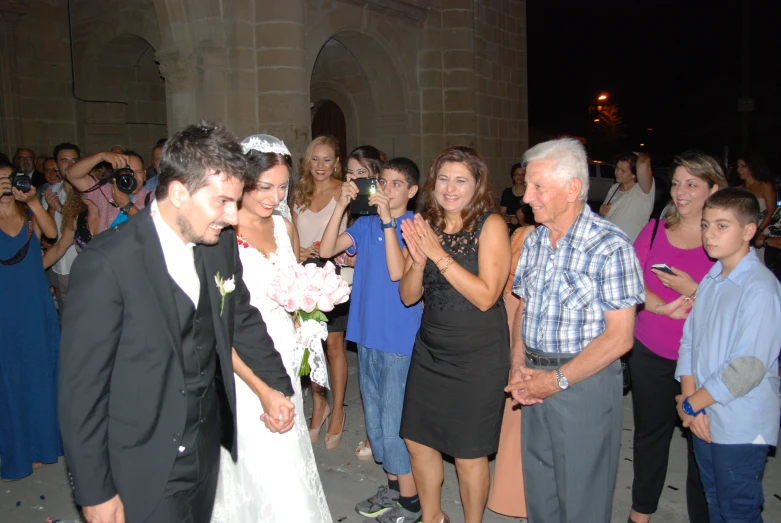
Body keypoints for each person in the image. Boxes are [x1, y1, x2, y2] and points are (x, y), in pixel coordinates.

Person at [58, 121, 296, 523]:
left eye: (235, 202)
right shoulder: (107, 264)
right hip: (143, 460)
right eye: (221, 201)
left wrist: (276, 387)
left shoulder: (217, 245)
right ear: (179, 192)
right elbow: (81, 392)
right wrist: (95, 490)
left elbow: (241, 315)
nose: (232, 215)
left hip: (205, 448)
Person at [507, 137, 645, 523]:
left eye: (538, 187)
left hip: (583, 382)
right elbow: (525, 307)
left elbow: (620, 337)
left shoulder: (609, 246)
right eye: (527, 185)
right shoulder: (535, 241)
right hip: (533, 376)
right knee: (541, 494)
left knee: (582, 499)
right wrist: (518, 361)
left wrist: (555, 381)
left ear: (572, 189)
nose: (526, 196)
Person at [211, 134, 331, 522]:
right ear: (240, 180)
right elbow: (217, 324)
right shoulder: (220, 234)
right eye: (264, 187)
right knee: (252, 458)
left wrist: (308, 314)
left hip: (285, 352)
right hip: (242, 361)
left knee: (287, 456)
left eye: (281, 187)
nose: (273, 196)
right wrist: (260, 388)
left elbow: (293, 286)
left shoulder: (284, 226)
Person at [399, 146, 511, 523]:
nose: (450, 188)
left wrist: (437, 253)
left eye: (460, 180)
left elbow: (486, 296)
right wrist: (417, 258)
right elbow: (409, 295)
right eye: (444, 179)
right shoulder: (426, 223)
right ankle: (433, 518)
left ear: (477, 184)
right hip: (431, 349)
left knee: (468, 452)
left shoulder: (490, 224)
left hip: (477, 354)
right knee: (417, 439)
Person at [319, 157, 423, 523]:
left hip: (399, 340)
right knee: (376, 424)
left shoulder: (415, 227)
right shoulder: (364, 225)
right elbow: (327, 249)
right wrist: (340, 205)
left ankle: (412, 505)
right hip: (366, 335)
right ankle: (395, 490)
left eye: (397, 184)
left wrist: (389, 222)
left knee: (394, 427)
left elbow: (399, 271)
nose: (388, 189)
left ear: (411, 191)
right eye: (384, 182)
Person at [627, 150, 725, 523]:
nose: (681, 192)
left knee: (702, 442)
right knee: (650, 435)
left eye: (692, 184)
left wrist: (694, 289)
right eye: (677, 183)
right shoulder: (655, 229)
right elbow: (630, 281)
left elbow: (738, 304)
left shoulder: (721, 239)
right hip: (650, 349)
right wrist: (660, 306)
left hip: (703, 359)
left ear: (714, 189)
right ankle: (640, 514)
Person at [675, 188, 781, 522]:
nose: (708, 234)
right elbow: (690, 341)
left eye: (722, 225)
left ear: (749, 231)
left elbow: (747, 368)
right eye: (706, 225)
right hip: (705, 418)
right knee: (714, 504)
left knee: (738, 511)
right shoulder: (711, 279)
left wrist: (693, 404)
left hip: (739, 424)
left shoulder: (760, 288)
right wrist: (688, 400)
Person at [0, 159, 60, 480]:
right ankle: (16, 449)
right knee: (8, 379)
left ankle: (41, 445)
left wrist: (34, 202)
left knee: (38, 374)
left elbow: (52, 232)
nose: (5, 186)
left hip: (35, 308)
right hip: (4, 311)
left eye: (9, 179)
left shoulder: (28, 217)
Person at [292, 135, 349, 448]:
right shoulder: (299, 189)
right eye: (315, 159)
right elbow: (288, 230)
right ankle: (319, 406)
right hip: (301, 276)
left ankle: (338, 409)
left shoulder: (344, 190)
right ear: (307, 161)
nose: (321, 166)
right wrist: (296, 249)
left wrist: (329, 248)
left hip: (333, 274)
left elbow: (352, 232)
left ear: (336, 162)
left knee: (334, 347)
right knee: (308, 346)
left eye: (327, 159)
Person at [486, 223, 534, 518]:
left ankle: (522, 494)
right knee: (513, 407)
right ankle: (509, 495)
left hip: (534, 320)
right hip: (512, 314)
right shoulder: (524, 234)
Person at [62, 149, 152, 235]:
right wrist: (102, 156)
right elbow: (71, 175)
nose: (134, 176)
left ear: (144, 174)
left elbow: (153, 232)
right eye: (128, 172)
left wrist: (126, 205)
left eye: (138, 171)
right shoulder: (105, 192)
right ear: (119, 174)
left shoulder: (154, 198)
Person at [598, 152, 655, 242]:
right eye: (617, 168)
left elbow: (643, 165)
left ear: (634, 174)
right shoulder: (614, 188)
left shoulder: (643, 190)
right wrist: (601, 213)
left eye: (623, 170)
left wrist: (641, 155)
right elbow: (603, 217)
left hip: (631, 248)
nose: (617, 172)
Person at [499, 163, 534, 229]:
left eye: (522, 174)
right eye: (517, 174)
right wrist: (509, 218)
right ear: (513, 176)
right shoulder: (507, 192)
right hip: (511, 230)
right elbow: (501, 213)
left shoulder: (531, 192)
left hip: (527, 229)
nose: (520, 176)